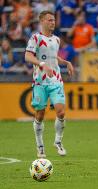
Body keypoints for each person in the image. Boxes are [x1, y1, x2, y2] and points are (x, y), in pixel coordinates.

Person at [25, 10, 74, 158]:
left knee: (61, 111)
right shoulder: (35, 38)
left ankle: (58, 142)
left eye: (53, 20)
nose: (53, 22)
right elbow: (28, 55)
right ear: (42, 22)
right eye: (49, 20)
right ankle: (40, 146)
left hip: (55, 80)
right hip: (40, 82)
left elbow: (53, 56)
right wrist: (42, 64)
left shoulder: (57, 40)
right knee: (40, 114)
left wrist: (65, 62)